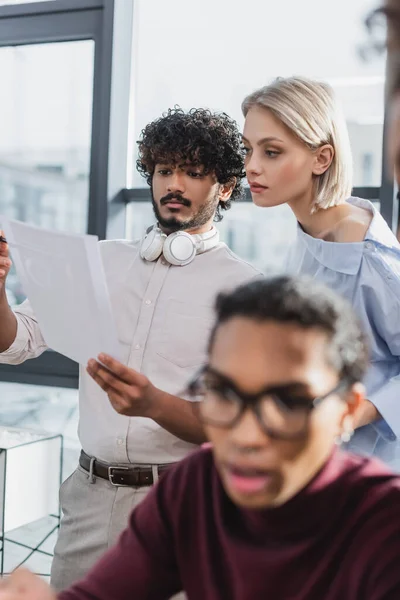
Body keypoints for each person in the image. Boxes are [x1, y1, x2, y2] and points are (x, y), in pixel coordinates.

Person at [3, 276, 400, 599]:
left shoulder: (385, 525)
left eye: (288, 403)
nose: (245, 436)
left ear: (348, 410)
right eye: (224, 393)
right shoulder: (196, 486)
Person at [0, 107, 260, 590]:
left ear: (224, 188)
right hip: (87, 501)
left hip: (182, 505)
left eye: (194, 172)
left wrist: (152, 405)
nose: (174, 184)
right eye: (164, 170)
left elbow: (238, 425)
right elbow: (16, 342)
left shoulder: (247, 291)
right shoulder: (98, 262)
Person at [241, 74, 400, 468]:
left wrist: (352, 416)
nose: (252, 167)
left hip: (371, 479)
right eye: (248, 150)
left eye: (271, 152)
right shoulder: (308, 236)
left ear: (322, 158)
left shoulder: (369, 257)